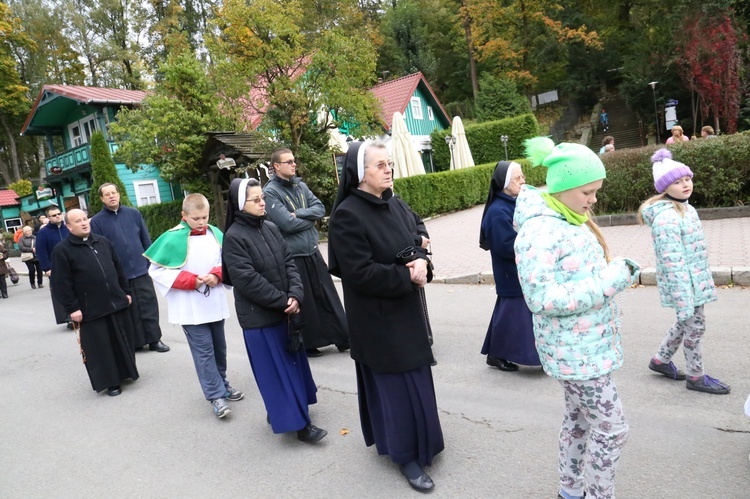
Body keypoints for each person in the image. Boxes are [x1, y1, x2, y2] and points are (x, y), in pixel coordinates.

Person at [514, 137, 641, 499]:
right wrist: (609, 280)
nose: (594, 200)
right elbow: (541, 298)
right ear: (564, 186)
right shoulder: (540, 231)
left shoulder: (568, 220)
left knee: (579, 421)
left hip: (582, 349)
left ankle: (570, 491)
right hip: (578, 355)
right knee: (612, 429)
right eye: (588, 191)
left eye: (596, 191)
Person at [328, 141, 443, 493]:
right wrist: (407, 275)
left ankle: (426, 442)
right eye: (380, 165)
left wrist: (423, 261)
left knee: (417, 379)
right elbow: (358, 273)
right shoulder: (347, 215)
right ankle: (405, 455)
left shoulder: (393, 202)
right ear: (359, 174)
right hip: (377, 320)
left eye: (389, 163)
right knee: (395, 389)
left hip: (404, 309)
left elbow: (415, 242)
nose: (388, 169)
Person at [222, 178, 327, 443]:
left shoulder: (269, 227)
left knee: (291, 367)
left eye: (262, 198)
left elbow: (289, 261)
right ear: (239, 205)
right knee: (277, 374)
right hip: (261, 319)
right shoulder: (234, 238)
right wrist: (283, 301)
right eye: (255, 200)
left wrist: (295, 294)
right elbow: (247, 280)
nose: (262, 203)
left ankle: (285, 409)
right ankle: (300, 426)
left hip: (284, 311)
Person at [638, 149, 730, 395]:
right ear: (665, 188)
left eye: (686, 179)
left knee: (685, 322)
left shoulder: (687, 209)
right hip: (685, 286)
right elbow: (672, 263)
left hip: (694, 281)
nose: (685, 185)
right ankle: (696, 376)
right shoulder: (667, 218)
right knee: (695, 327)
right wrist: (683, 297)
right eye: (677, 182)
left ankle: (660, 360)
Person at [145, 194, 244, 419]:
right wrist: (191, 280)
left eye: (205, 217)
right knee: (204, 351)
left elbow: (226, 260)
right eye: (196, 218)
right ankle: (215, 395)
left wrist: (216, 275)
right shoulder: (171, 238)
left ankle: (223, 383)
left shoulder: (215, 233)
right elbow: (157, 270)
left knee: (219, 347)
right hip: (190, 307)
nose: (201, 222)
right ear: (184, 216)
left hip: (213, 301)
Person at [263, 148, 350, 357]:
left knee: (327, 296)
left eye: (294, 161)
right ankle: (310, 343)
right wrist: (308, 219)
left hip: (311, 250)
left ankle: (342, 337)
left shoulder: (300, 185)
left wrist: (300, 214)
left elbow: (320, 208)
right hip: (294, 255)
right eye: (288, 161)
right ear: (276, 166)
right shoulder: (270, 192)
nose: (294, 164)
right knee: (307, 302)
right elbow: (287, 224)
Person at [51, 209, 139, 396]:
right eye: (78, 221)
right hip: (90, 309)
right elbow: (60, 283)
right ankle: (111, 382)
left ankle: (126, 373)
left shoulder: (103, 241)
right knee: (102, 348)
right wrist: (72, 308)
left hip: (116, 301)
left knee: (123, 339)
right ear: (69, 227)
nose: (83, 223)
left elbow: (118, 268)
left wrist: (126, 292)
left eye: (85, 219)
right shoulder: (62, 250)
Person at [90, 183, 169, 353]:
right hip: (119, 274)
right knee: (128, 308)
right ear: (102, 199)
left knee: (149, 305)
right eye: (107, 194)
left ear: (119, 194)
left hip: (141, 270)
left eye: (114, 192)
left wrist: (150, 263)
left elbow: (145, 239)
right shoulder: (97, 221)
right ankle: (136, 342)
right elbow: (100, 250)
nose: (112, 196)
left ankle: (155, 339)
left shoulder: (133, 213)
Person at [479, 161, 541, 372]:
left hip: (519, 270)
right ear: (504, 183)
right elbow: (505, 246)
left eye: (523, 176)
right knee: (511, 316)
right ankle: (499, 354)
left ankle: (496, 354)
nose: (523, 181)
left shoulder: (514, 202)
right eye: (517, 178)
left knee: (508, 315)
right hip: (510, 272)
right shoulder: (497, 211)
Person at [36, 205, 71, 327]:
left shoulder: (68, 228)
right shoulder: (43, 233)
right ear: (48, 217)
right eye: (54, 215)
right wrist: (47, 268)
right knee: (60, 292)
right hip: (55, 267)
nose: (57, 216)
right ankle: (67, 318)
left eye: (58, 214)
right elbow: (41, 252)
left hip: (72, 265)